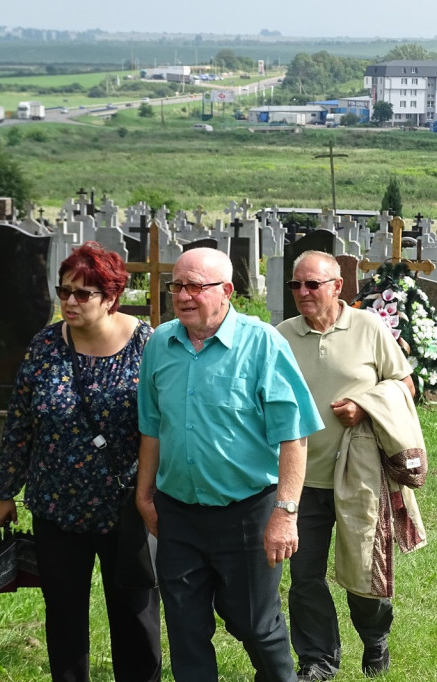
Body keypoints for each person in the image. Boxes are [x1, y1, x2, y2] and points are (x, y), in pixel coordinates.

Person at [136, 248, 324, 682]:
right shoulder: (160, 344)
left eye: (195, 286)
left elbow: (293, 434)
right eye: (177, 285)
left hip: (247, 511)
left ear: (226, 291)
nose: (183, 295)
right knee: (185, 629)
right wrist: (145, 494)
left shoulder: (262, 344)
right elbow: (151, 427)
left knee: (255, 626)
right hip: (178, 511)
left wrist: (286, 513)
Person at [0, 242, 161, 682]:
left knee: (135, 616)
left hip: (126, 507)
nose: (69, 301)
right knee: (64, 615)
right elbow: (21, 421)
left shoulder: (148, 344)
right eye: (63, 291)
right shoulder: (46, 344)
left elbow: (163, 424)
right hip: (56, 506)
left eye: (83, 294)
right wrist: (5, 489)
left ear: (111, 297)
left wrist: (154, 493)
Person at [277, 251, 424, 681]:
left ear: (337, 287)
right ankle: (318, 659)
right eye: (295, 285)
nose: (302, 293)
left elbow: (405, 385)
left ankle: (375, 636)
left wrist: (364, 404)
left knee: (363, 570)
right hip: (301, 479)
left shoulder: (368, 327)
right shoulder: (281, 336)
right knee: (304, 578)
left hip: (360, 475)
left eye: (312, 285)